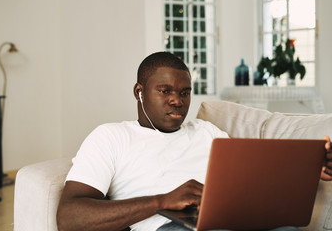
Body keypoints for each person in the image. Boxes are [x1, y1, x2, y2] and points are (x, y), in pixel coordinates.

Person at [57, 52, 332, 231]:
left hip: (236, 222)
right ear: (139, 92)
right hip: (169, 227)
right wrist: (163, 200)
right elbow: (70, 216)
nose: (177, 100)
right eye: (165, 91)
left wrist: (307, 171)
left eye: (185, 92)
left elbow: (250, 184)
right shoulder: (111, 136)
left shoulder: (208, 132)